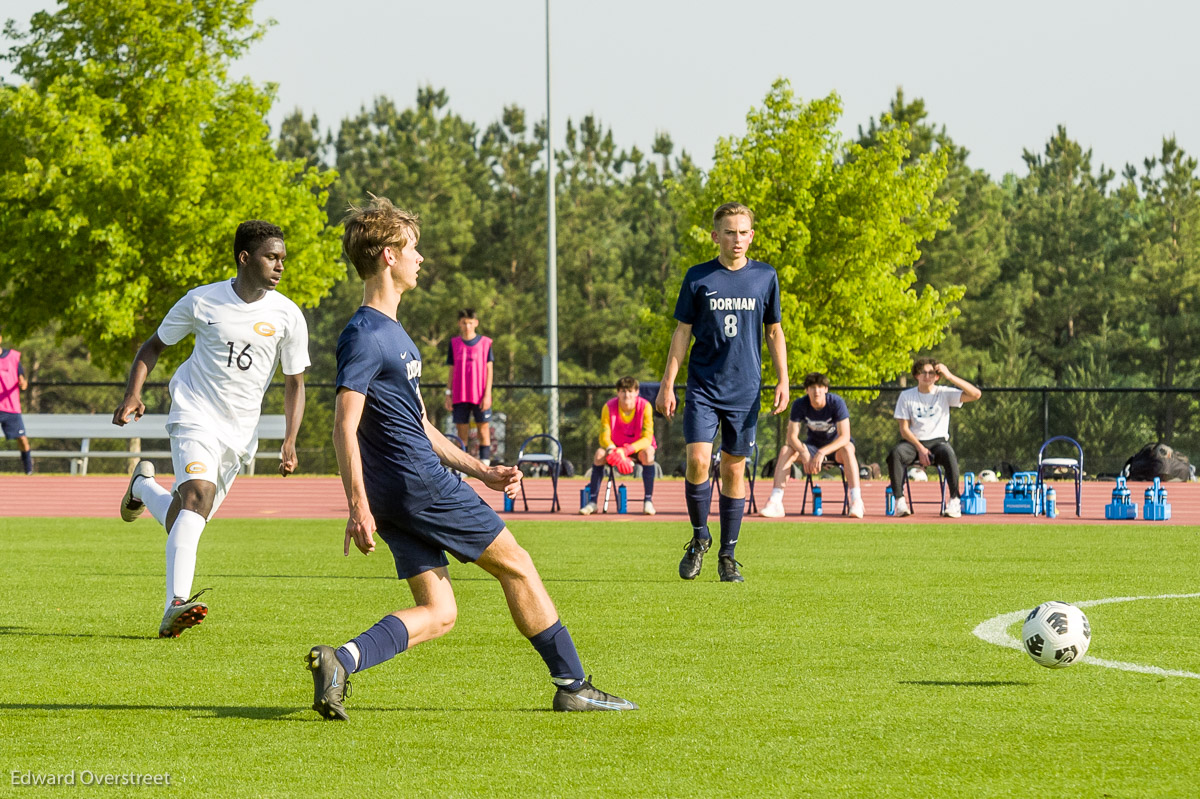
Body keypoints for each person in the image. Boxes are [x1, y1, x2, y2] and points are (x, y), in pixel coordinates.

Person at [307, 196, 634, 720]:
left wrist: (482, 470)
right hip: (420, 486)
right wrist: (356, 506)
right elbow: (344, 424)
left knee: (439, 613)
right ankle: (573, 684)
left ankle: (340, 660)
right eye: (413, 248)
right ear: (388, 256)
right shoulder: (367, 334)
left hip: (399, 495)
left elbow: (421, 425)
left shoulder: (391, 333)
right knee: (519, 568)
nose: (421, 258)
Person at [113, 221, 309, 638]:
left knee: (188, 516)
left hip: (239, 435)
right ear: (244, 258)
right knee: (197, 496)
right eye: (271, 257)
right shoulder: (201, 301)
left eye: (283, 259)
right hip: (193, 412)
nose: (280, 266)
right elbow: (153, 346)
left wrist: (290, 439)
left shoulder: (288, 315)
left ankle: (142, 488)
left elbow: (295, 382)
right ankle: (174, 605)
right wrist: (133, 393)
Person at [656, 202, 788, 583]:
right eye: (729, 232)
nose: (737, 239)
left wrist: (784, 379)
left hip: (745, 390)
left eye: (743, 232)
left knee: (734, 468)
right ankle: (699, 539)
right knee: (698, 461)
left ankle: (728, 556)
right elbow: (682, 332)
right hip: (703, 386)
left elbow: (774, 331)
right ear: (716, 236)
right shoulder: (698, 277)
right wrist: (668, 382)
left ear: (752, 235)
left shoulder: (765, 276)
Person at [761, 372, 864, 519]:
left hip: (835, 448)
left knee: (848, 448)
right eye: (813, 387)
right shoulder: (799, 404)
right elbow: (791, 437)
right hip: (812, 447)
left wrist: (822, 453)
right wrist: (803, 451)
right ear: (806, 390)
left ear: (826, 389)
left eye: (820, 387)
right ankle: (775, 501)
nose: (817, 391)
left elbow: (845, 437)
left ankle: (856, 501)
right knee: (785, 450)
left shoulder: (836, 403)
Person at [887, 358, 982, 518]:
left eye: (931, 373)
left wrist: (950, 376)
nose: (927, 376)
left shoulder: (943, 393)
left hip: (938, 442)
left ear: (937, 376)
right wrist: (920, 448)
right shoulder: (906, 396)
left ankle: (954, 501)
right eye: (923, 372)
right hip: (913, 443)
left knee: (949, 453)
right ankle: (900, 501)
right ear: (916, 375)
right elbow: (904, 429)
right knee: (895, 454)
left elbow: (976, 394)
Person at [580, 376, 657, 516]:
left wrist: (626, 450)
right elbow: (604, 436)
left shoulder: (645, 407)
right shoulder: (608, 407)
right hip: (615, 449)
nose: (626, 394)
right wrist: (612, 450)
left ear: (636, 392)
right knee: (599, 454)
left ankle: (648, 501)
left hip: (636, 449)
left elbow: (647, 438)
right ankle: (592, 502)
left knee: (648, 453)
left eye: (630, 391)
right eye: (622, 391)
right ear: (617, 392)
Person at [443, 308, 494, 464]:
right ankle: (462, 466)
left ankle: (485, 465)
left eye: (470, 323)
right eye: (464, 323)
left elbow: (489, 370)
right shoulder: (454, 343)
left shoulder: (486, 343)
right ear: (459, 324)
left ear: (476, 323)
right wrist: (448, 393)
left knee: (483, 430)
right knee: (461, 433)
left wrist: (487, 394)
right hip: (460, 395)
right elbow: (451, 370)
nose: (467, 326)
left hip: (479, 395)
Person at [0, 331, 33, 475]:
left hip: (11, 407)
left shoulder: (13, 357)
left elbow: (23, 380)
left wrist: (23, 383)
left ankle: (28, 471)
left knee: (22, 440)